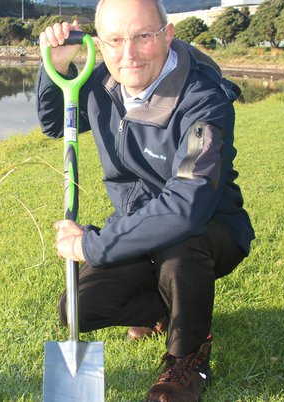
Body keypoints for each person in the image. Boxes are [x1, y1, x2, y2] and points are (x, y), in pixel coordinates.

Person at [36, 0, 255, 400]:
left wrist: (92, 243)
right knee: (77, 309)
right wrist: (58, 68)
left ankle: (187, 355)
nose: (129, 54)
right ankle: (164, 308)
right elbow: (55, 123)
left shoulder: (205, 100)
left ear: (167, 36)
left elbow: (187, 205)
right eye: (115, 40)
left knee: (179, 245)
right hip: (136, 223)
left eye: (143, 37)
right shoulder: (102, 81)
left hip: (210, 228)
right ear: (99, 44)